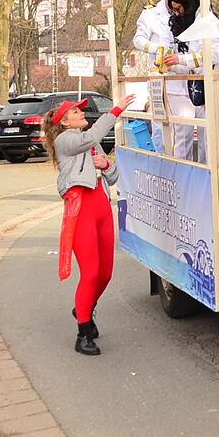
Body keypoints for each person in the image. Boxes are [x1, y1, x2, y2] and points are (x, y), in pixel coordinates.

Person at [42, 93, 135, 355]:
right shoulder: (65, 140)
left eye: (81, 111)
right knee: (91, 272)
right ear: (64, 122)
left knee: (105, 273)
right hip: (81, 210)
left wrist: (106, 165)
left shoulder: (90, 144)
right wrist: (116, 110)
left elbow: (114, 176)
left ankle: (83, 307)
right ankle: (83, 332)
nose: (82, 113)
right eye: (76, 112)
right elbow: (92, 136)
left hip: (102, 208)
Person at [164, 0, 219, 162]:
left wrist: (180, 60)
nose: (177, 14)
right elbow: (194, 63)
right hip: (205, 89)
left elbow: (210, 57)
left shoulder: (207, 21)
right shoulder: (198, 21)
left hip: (218, 88)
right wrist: (173, 66)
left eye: (178, 9)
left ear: (189, 3)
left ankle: (214, 180)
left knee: (213, 139)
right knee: (204, 139)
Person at [132, 0, 177, 151]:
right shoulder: (150, 14)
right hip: (159, 76)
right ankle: (160, 156)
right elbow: (138, 40)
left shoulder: (184, 11)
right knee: (159, 124)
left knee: (180, 125)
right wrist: (156, 49)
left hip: (180, 76)